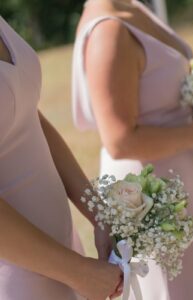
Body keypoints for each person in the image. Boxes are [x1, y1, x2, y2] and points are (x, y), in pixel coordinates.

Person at [72, 0, 193, 299]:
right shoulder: (108, 31)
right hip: (148, 197)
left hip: (180, 184)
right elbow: (120, 141)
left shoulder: (132, 6)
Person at [0, 15, 122, 300]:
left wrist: (98, 213)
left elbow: (26, 117)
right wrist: (79, 273)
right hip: (15, 274)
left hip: (61, 251)